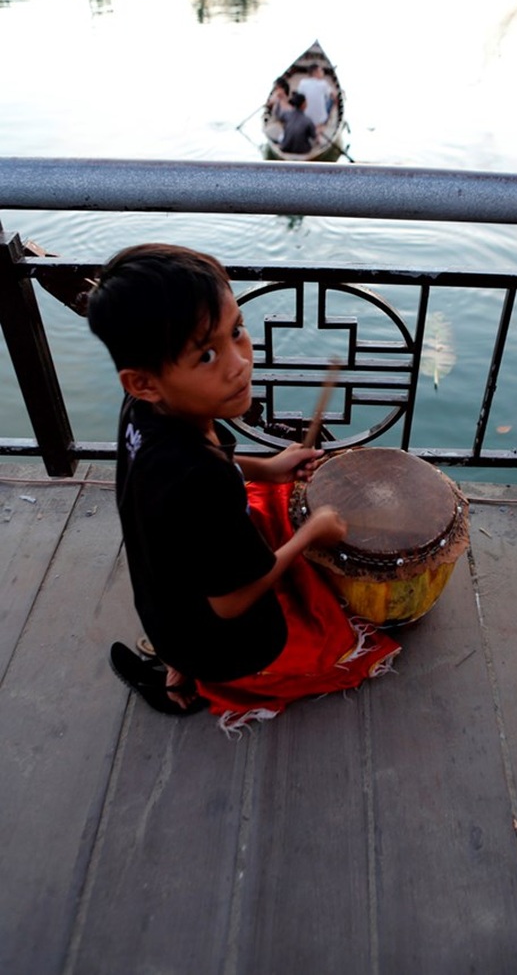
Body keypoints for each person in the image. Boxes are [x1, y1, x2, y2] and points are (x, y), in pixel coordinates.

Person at [87, 244, 400, 734]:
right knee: (295, 595)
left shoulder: (145, 413)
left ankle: (176, 666)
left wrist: (269, 467)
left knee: (259, 509)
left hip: (161, 604)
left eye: (236, 331)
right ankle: (204, 678)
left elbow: (205, 465)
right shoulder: (202, 481)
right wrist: (310, 534)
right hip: (231, 639)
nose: (238, 364)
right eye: (207, 354)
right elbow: (231, 603)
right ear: (143, 382)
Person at [296, 62, 335, 129]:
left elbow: (298, 96)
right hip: (320, 120)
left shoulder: (302, 82)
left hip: (305, 117)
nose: (323, 72)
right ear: (315, 73)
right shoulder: (323, 84)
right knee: (332, 99)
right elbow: (333, 95)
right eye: (321, 70)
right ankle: (329, 119)